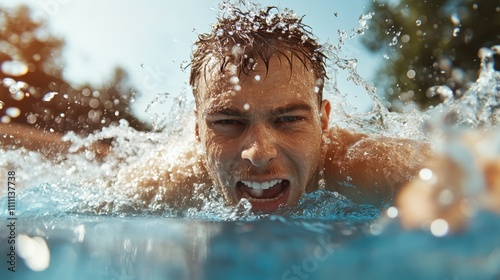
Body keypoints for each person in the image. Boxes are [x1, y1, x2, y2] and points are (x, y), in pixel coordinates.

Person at [120, 6, 433, 213]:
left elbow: (473, 169)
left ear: (323, 121)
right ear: (199, 129)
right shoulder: (162, 184)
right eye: (229, 121)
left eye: (287, 119)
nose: (259, 153)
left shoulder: (367, 168)